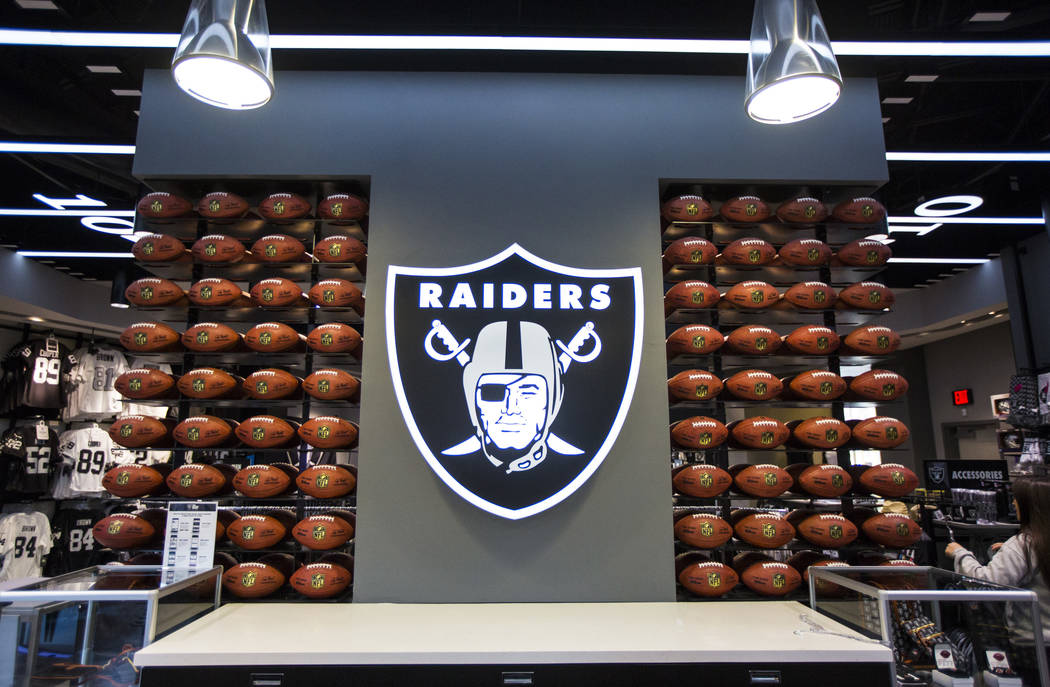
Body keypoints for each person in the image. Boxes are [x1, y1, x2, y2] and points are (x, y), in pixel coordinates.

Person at [946, 476, 1050, 683]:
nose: (1013, 503)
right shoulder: (1031, 545)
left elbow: (986, 584)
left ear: (1030, 506)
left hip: (1034, 648)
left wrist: (961, 554)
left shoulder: (1024, 545)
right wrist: (1009, 555)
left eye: (1016, 499)